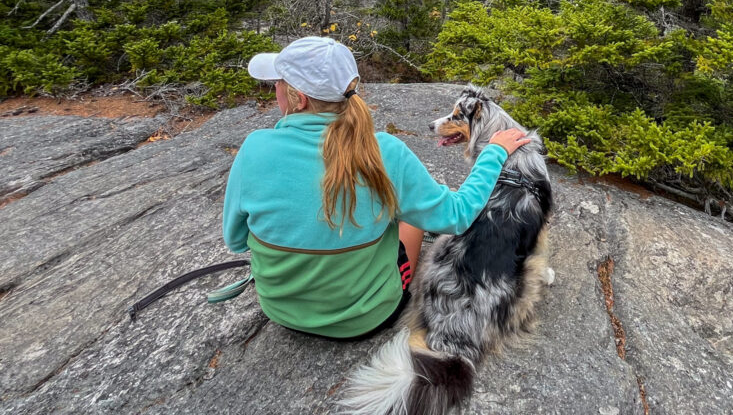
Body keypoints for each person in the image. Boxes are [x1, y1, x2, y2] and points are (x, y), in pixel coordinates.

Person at [222, 36, 529, 340]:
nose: (273, 88)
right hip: (368, 317)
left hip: (282, 313)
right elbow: (459, 215)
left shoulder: (254, 149)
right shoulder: (385, 152)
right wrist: (494, 152)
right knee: (405, 211)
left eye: (277, 82)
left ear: (299, 99)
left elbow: (236, 241)